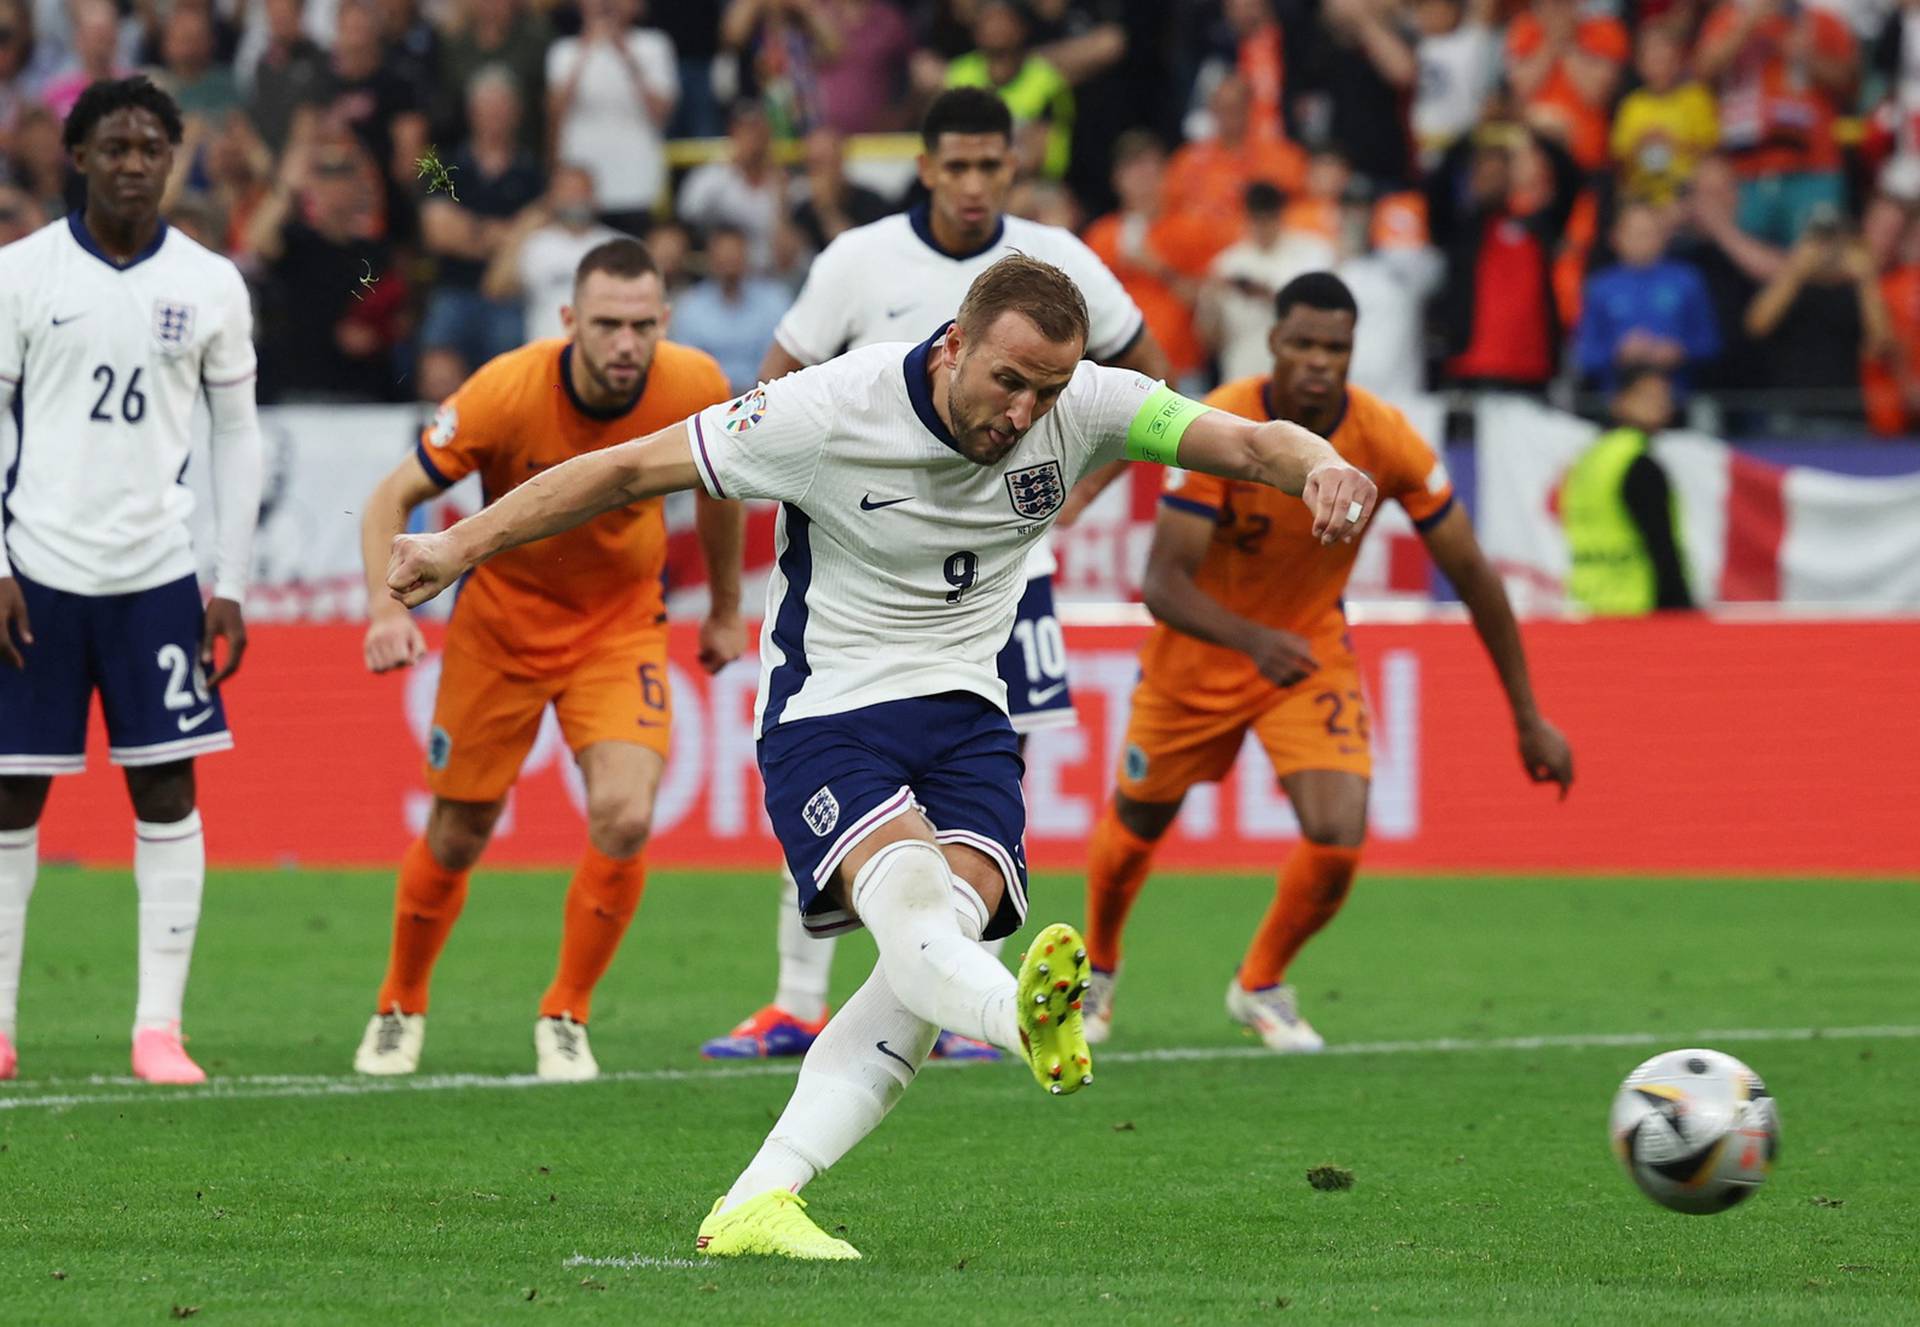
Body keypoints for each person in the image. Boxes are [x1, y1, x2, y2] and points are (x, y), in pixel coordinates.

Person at [381, 252, 1380, 1258]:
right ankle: (1014, 1012)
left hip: (968, 712)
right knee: (913, 906)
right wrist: (453, 548)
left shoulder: (1093, 403)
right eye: (1009, 381)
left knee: (940, 935)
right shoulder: (823, 411)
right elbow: (626, 470)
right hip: (831, 711)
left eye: (1048, 391)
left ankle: (760, 1199)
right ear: (954, 345)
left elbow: (1251, 442)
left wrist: (1319, 467)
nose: (1026, 411)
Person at [701, 87, 1174, 1066]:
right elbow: (769, 388)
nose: (970, 184)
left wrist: (1072, 501)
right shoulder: (857, 259)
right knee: (845, 753)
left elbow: (1149, 383)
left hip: (1000, 568)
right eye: (953, 165)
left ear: (1015, 167)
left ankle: (957, 985)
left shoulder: (1060, 263)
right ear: (924, 166)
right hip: (867, 568)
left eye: (988, 166)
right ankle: (797, 1000)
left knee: (991, 761)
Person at [1079, 272, 1573, 1051]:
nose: (1318, 361)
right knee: (1139, 818)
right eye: (1303, 343)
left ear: (1352, 352)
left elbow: (1474, 576)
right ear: (1273, 341)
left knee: (1339, 829)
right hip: (1200, 656)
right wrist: (1251, 638)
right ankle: (1098, 971)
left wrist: (1527, 715)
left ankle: (1262, 983)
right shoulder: (1224, 425)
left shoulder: (1385, 438)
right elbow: (1162, 584)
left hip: (1307, 652)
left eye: (1335, 348)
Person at [350, 239, 741, 1081]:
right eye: (607, 324)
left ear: (665, 322)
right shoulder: (503, 391)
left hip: (619, 628)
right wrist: (385, 607)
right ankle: (400, 1001)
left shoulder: (696, 385)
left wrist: (727, 608)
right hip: (500, 631)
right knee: (458, 833)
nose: (626, 344)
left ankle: (566, 1011)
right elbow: (393, 495)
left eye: (642, 325)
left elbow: (720, 490)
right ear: (569, 321)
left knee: (628, 816)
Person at [0, 77, 263, 1084]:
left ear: (171, 158)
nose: (133, 162)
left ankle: (159, 1029)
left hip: (156, 572)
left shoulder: (209, 284)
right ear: (76, 156)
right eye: (113, 146)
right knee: (12, 794)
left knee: (165, 785)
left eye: (151, 146)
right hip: (38, 569)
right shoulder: (22, 275)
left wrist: (227, 582)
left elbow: (238, 436)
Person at [1560, 367, 1693, 616]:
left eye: (1664, 397)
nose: (1661, 405)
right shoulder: (1638, 463)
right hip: (1636, 602)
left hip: (1588, 600)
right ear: (1619, 401)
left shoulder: (1590, 458)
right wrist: (1682, 609)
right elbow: (1660, 544)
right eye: (1648, 397)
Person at [546, 0, 675, 236]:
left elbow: (662, 112)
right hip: (582, 185)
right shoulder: (563, 50)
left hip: (637, 180)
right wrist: (584, 51)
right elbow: (554, 112)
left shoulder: (654, 45)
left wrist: (624, 52)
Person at [1575, 202, 1720, 394]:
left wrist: (1680, 351)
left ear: (1664, 236)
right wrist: (1618, 352)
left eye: (1650, 233)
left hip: (1676, 397)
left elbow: (1710, 343)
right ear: (1615, 238)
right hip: (1617, 399)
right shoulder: (1600, 286)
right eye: (1635, 234)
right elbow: (1584, 353)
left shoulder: (1688, 280)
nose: (1642, 241)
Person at [480, 162, 624, 345]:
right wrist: (524, 227)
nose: (575, 198)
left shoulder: (620, 246)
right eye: (567, 191)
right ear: (551, 198)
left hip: (604, 354)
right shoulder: (534, 244)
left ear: (595, 196)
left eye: (581, 190)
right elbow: (494, 288)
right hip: (545, 353)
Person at [670, 224, 790, 393]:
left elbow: (781, 361)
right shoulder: (690, 305)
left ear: (747, 256)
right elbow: (687, 366)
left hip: (765, 395)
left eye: (734, 254)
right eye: (723, 255)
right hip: (708, 399)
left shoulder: (774, 299)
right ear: (710, 258)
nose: (729, 260)